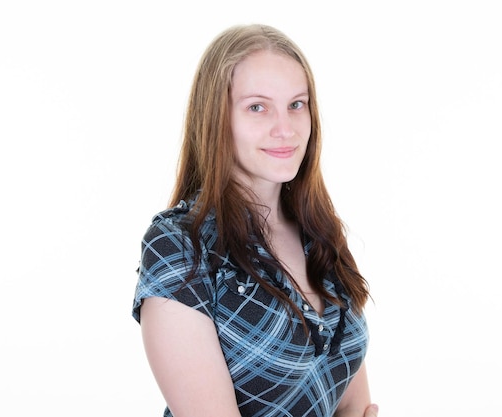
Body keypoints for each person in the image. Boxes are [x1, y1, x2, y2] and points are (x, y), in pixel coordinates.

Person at [132, 23, 378, 417]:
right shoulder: (180, 248)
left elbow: (354, 402)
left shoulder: (319, 233)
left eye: (297, 104)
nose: (285, 129)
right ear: (216, 119)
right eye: (257, 107)